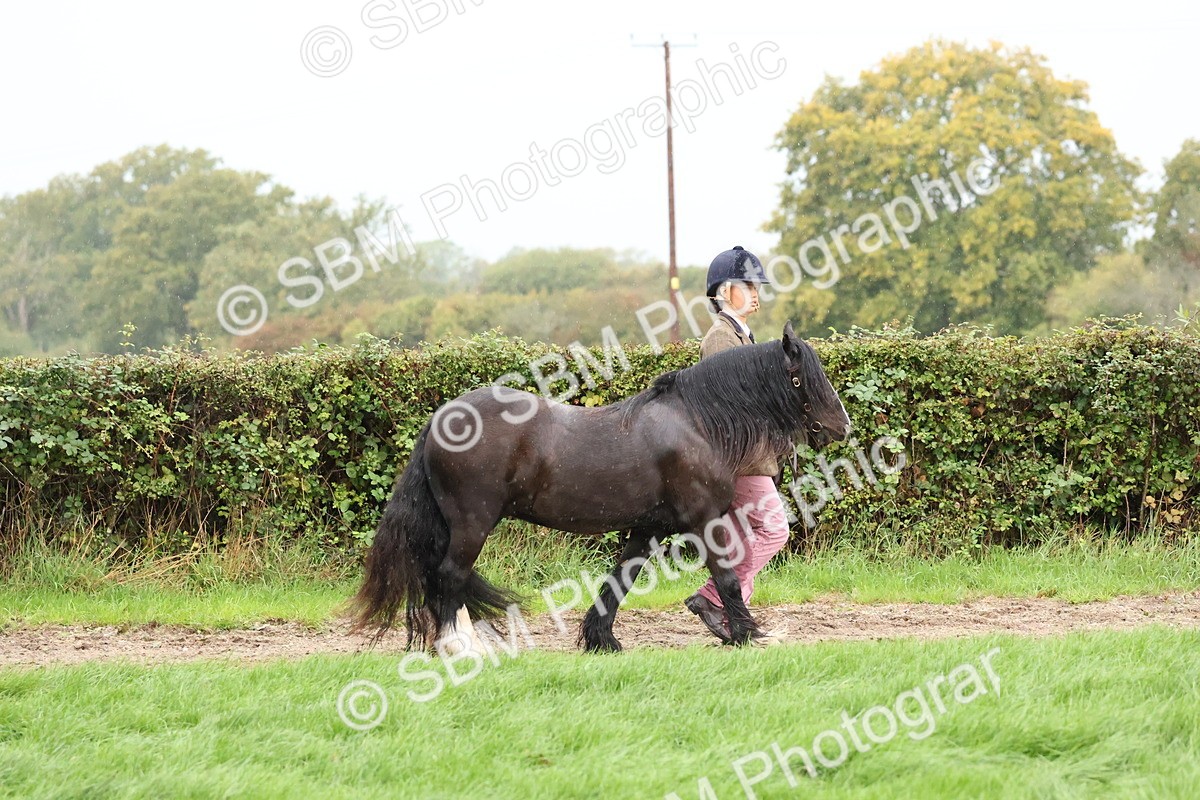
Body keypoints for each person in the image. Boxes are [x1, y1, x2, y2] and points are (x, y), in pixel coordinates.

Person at [684, 245, 790, 644]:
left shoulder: (741, 338)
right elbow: (734, 407)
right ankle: (713, 598)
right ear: (726, 292)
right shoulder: (719, 340)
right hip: (741, 460)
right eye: (748, 285)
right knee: (774, 530)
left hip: (751, 458)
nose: (756, 292)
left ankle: (734, 620)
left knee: (740, 540)